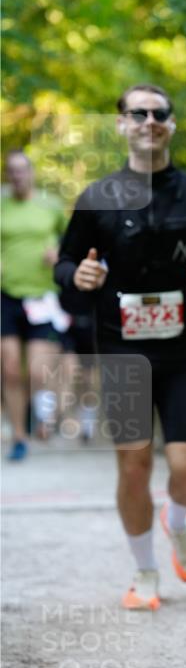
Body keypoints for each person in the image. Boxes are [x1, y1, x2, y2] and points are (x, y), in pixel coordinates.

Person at [55, 84, 186, 611]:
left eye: (160, 114)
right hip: (122, 352)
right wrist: (80, 274)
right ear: (121, 125)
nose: (150, 121)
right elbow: (64, 268)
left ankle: (177, 521)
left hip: (181, 352)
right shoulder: (97, 199)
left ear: (172, 125)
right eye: (139, 113)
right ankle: (145, 572)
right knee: (133, 466)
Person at [1, 150, 67, 459]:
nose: (17, 176)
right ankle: (18, 435)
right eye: (11, 171)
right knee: (11, 369)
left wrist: (59, 254)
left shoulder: (50, 206)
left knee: (39, 372)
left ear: (31, 173)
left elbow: (71, 244)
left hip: (43, 296)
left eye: (21, 170)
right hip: (7, 294)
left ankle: (36, 413)